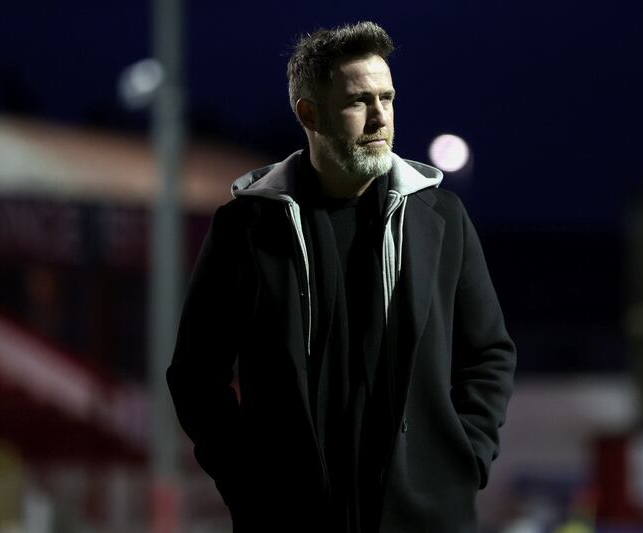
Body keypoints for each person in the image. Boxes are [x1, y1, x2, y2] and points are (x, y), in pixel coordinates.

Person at [167, 21, 516, 533]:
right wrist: (245, 482)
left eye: (387, 98)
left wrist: (465, 461)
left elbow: (489, 354)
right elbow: (195, 374)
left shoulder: (440, 217)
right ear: (309, 114)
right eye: (359, 102)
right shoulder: (246, 228)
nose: (380, 117)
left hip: (425, 517)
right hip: (290, 519)